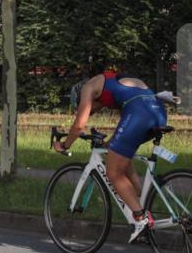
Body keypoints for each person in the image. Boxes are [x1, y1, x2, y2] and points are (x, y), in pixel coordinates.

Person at [53, 69, 168, 243]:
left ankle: (140, 219)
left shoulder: (88, 87)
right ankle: (140, 201)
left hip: (139, 114)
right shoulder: (115, 82)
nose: (94, 111)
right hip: (158, 111)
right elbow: (125, 126)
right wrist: (109, 145)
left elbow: (78, 126)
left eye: (91, 109)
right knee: (119, 155)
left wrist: (65, 145)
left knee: (113, 173)